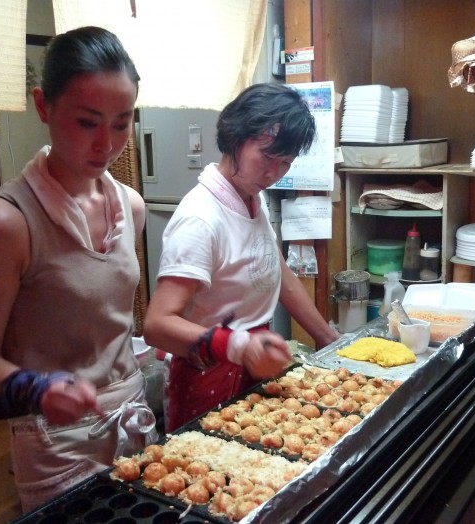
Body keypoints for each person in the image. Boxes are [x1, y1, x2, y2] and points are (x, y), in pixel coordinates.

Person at [0, 26, 156, 512]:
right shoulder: (8, 221)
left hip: (133, 418)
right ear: (43, 106)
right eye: (87, 122)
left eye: (122, 122)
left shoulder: (129, 206)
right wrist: (40, 389)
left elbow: (107, 318)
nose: (107, 144)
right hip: (56, 441)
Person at [143, 83, 340, 432]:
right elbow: (157, 325)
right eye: (267, 157)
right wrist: (238, 345)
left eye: (285, 163)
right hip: (206, 374)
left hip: (253, 364)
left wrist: (327, 338)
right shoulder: (201, 218)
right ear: (236, 137)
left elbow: (273, 269)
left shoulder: (252, 197)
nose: (273, 174)